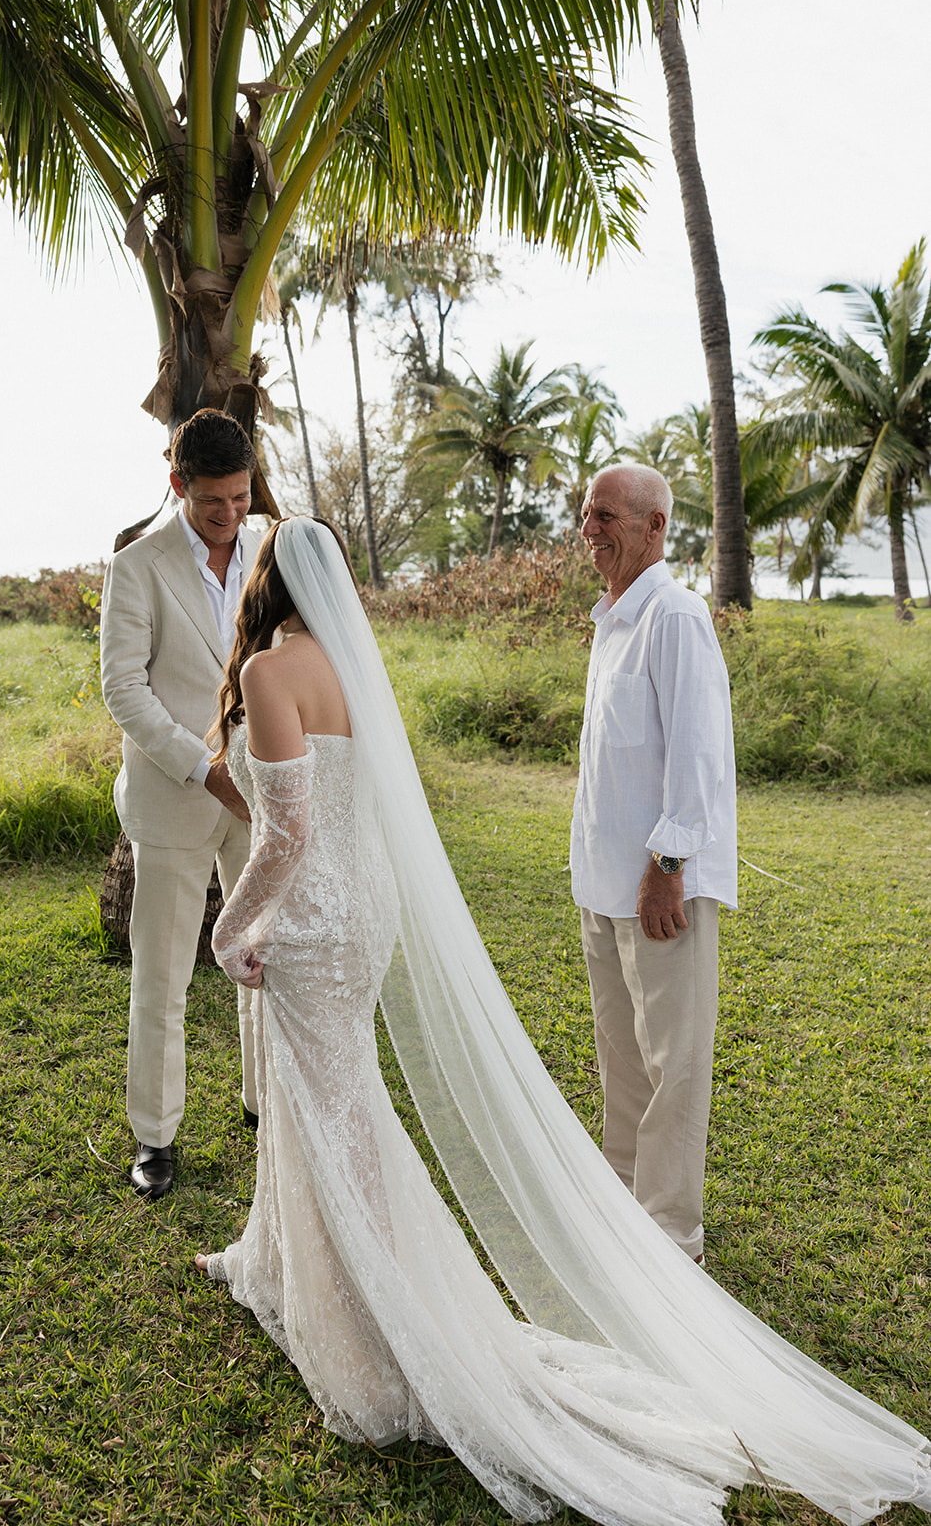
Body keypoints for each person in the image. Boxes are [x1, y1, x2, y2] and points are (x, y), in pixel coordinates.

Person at [193, 515, 930, 1526]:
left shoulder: (275, 672)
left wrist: (232, 925)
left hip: (312, 919)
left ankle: (377, 1324)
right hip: (361, 910)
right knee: (332, 1098)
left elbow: (285, 835)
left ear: (262, 583)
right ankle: (274, 1254)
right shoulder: (345, 666)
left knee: (336, 1112)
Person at [570, 462, 736, 1264]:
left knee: (674, 1064)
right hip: (602, 888)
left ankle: (671, 1235)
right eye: (586, 515)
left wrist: (666, 864)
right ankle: (627, 1208)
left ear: (655, 527)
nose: (589, 530)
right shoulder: (611, 620)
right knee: (622, 1057)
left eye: (605, 516)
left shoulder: (672, 616)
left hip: (658, 887)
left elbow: (699, 758)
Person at [99, 409, 264, 1199]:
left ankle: (266, 1105)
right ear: (177, 486)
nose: (230, 517)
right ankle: (155, 1138)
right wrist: (204, 769)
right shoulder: (137, 566)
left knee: (262, 959)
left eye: (239, 498)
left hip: (260, 791)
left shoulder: (270, 544)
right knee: (161, 975)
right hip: (174, 798)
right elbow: (123, 691)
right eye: (212, 504)